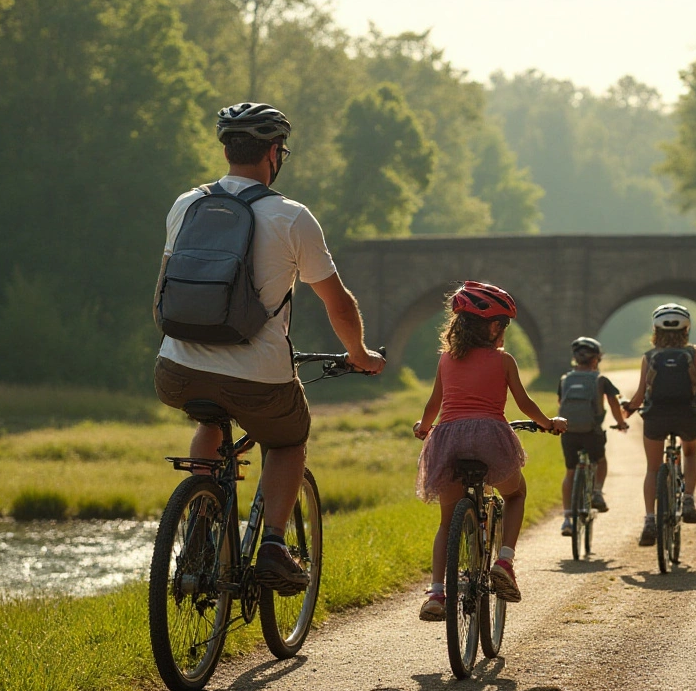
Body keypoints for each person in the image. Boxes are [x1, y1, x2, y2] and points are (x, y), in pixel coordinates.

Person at [152, 102, 384, 595]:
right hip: (257, 374)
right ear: (275, 153)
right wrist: (360, 354)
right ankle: (274, 545)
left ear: (226, 149)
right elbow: (337, 302)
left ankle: (200, 524)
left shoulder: (186, 204)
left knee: (210, 422)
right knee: (287, 440)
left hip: (175, 366)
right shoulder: (291, 217)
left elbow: (163, 288)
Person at [412, 281, 567, 621]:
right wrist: (549, 422)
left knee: (446, 522)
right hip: (490, 439)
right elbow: (525, 404)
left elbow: (433, 405)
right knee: (516, 494)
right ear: (495, 326)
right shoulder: (504, 361)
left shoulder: (445, 361)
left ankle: (436, 592)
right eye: (505, 326)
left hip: (448, 441)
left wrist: (424, 428)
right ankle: (504, 561)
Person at [622, 303, 696, 546]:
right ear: (686, 329)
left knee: (653, 468)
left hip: (656, 416)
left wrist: (629, 408)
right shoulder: (693, 355)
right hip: (688, 415)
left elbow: (639, 395)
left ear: (656, 330)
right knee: (689, 453)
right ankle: (688, 498)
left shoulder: (650, 357)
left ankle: (649, 519)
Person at [557, 337, 628, 536]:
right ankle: (597, 491)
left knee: (570, 471)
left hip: (569, 432)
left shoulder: (565, 379)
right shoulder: (600, 380)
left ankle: (567, 518)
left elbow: (560, 403)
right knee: (601, 460)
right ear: (596, 359)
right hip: (591, 432)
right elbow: (614, 403)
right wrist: (621, 423)